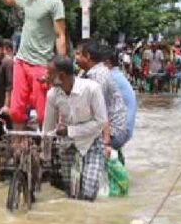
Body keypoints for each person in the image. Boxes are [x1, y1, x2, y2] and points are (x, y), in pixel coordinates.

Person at [43, 56, 109, 201]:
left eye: (50, 73)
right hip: (68, 144)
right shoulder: (52, 95)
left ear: (61, 76)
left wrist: (70, 131)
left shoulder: (92, 89)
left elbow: (100, 121)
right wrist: (45, 156)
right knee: (70, 192)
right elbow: (48, 128)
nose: (45, 76)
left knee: (88, 191)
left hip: (91, 142)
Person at [75, 40, 127, 151]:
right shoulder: (84, 73)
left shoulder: (99, 75)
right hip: (101, 126)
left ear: (87, 56)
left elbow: (97, 110)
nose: (75, 58)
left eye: (78, 54)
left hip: (112, 131)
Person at [103, 47, 137, 148]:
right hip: (125, 130)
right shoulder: (117, 75)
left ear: (107, 63)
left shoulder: (109, 77)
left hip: (117, 134)